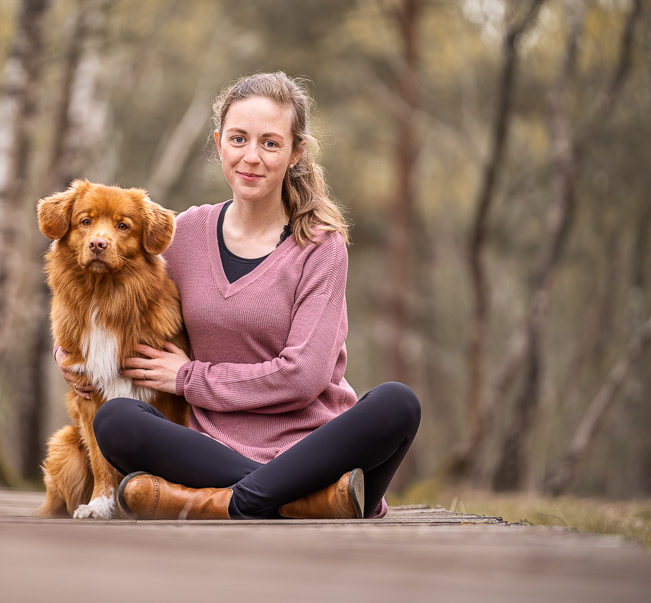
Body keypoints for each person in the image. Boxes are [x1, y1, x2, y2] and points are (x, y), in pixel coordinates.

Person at [55, 71, 421, 520]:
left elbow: (302, 377)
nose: (251, 157)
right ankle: (305, 503)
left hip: (318, 451)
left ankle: (232, 501)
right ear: (219, 143)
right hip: (210, 449)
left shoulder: (321, 249)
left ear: (295, 153)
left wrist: (189, 378)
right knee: (117, 420)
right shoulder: (185, 233)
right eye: (239, 139)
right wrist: (68, 351)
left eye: (270, 143)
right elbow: (113, 292)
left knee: (398, 403)